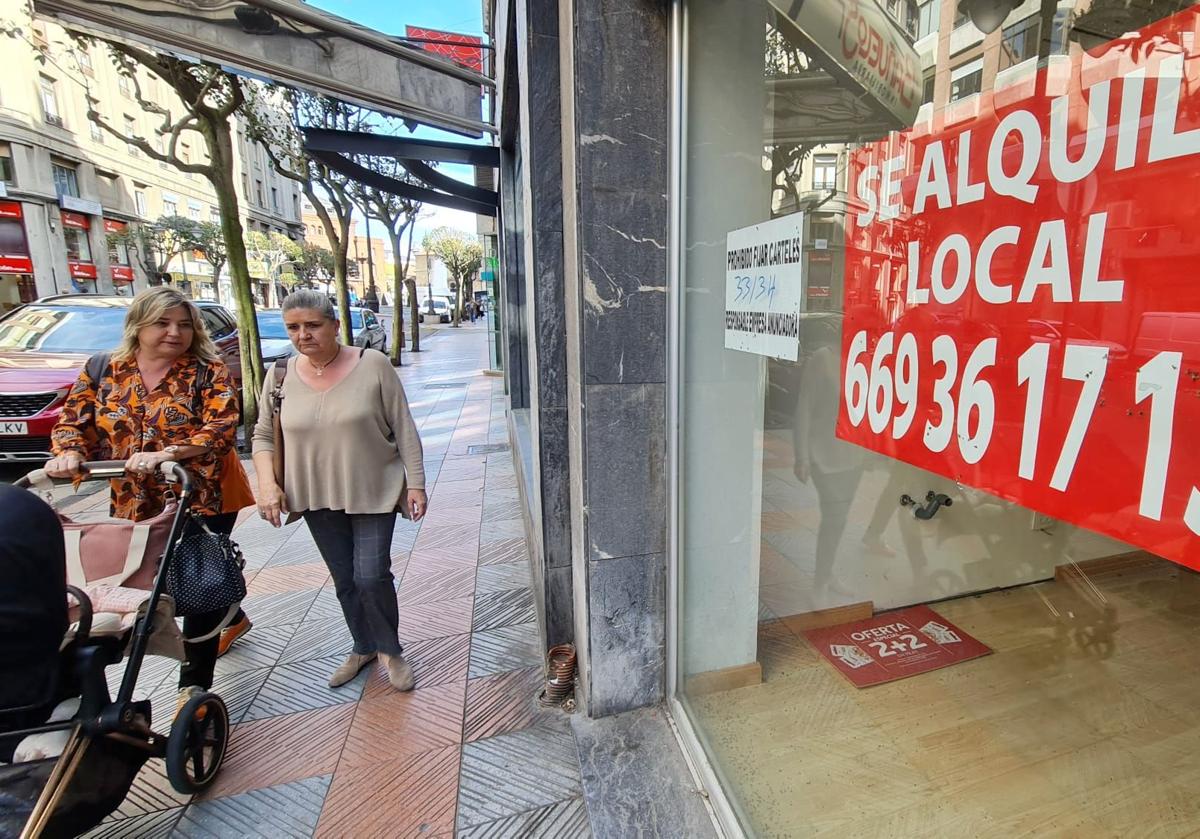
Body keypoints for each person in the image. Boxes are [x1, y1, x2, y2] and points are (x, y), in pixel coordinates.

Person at [44, 286, 248, 713]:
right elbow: (73, 420)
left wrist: (169, 454)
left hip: (201, 494)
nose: (175, 333)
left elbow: (223, 424)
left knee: (199, 583)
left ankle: (193, 686)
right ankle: (230, 612)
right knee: (142, 577)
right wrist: (68, 452)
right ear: (138, 325)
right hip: (132, 498)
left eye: (185, 325)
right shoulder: (105, 369)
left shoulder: (206, 370)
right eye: (162, 323)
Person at [251, 289, 428, 691]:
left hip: (373, 487)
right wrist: (267, 486)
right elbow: (262, 435)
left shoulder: (373, 365)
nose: (303, 335)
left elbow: (403, 427)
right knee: (344, 578)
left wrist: (415, 483)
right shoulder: (279, 375)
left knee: (371, 575)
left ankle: (391, 650)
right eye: (293, 328)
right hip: (313, 493)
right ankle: (363, 645)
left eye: (312, 325)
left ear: (334, 325)